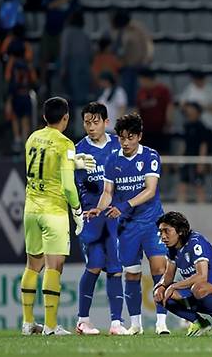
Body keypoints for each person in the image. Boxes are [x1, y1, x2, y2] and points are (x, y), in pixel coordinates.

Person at [84, 113, 170, 335]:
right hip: (127, 227)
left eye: (130, 137)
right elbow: (108, 192)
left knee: (159, 269)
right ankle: (136, 324)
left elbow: (150, 191)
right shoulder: (112, 159)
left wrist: (124, 205)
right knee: (132, 274)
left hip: (152, 223)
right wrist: (100, 209)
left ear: (139, 136)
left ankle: (161, 323)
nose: (125, 142)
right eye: (122, 137)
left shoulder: (150, 156)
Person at [20, 96, 95, 336]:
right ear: (66, 118)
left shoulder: (32, 137)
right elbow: (68, 186)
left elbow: (42, 166)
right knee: (54, 267)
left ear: (44, 117)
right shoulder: (65, 144)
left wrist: (73, 163)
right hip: (53, 212)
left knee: (32, 266)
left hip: (31, 208)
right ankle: (50, 326)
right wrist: (77, 211)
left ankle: (28, 322)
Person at [74, 102, 129, 336]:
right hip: (91, 216)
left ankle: (116, 323)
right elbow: (75, 186)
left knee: (116, 268)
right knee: (95, 265)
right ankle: (83, 321)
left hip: (114, 215)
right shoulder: (78, 151)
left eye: (95, 122)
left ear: (106, 123)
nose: (90, 126)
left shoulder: (118, 145)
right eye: (87, 122)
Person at [154, 211, 212, 337]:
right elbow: (167, 276)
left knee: (198, 287)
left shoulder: (196, 242)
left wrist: (173, 286)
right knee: (160, 294)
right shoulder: (172, 249)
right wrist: (160, 287)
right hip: (199, 294)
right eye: (161, 231)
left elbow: (202, 276)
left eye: (167, 231)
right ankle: (199, 323)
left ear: (180, 231)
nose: (163, 236)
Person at [40, 0, 78, 88]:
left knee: (61, 60)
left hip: (62, 32)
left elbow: (75, 13)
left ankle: (60, 85)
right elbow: (49, 5)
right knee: (44, 58)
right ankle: (43, 84)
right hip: (49, 30)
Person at [109, 10, 154, 106]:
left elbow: (148, 43)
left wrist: (148, 57)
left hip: (140, 65)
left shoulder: (138, 28)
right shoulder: (118, 31)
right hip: (126, 67)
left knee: (139, 92)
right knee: (126, 92)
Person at [176, 102, 212, 203]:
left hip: (196, 160)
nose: (190, 112)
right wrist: (180, 159)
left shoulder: (201, 127)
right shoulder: (186, 126)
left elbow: (203, 145)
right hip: (186, 159)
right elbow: (183, 143)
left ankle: (201, 208)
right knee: (183, 184)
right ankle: (180, 207)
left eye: (192, 110)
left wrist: (201, 161)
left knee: (199, 185)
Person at [136, 69, 173, 154]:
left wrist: (169, 121)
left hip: (160, 129)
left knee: (162, 154)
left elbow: (169, 106)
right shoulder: (141, 92)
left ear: (147, 79)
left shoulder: (163, 90)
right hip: (146, 130)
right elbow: (138, 109)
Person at [60, 10, 92, 107]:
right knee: (83, 95)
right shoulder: (85, 34)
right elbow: (90, 53)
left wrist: (63, 67)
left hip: (72, 64)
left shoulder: (67, 32)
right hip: (85, 65)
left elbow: (65, 51)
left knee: (72, 95)